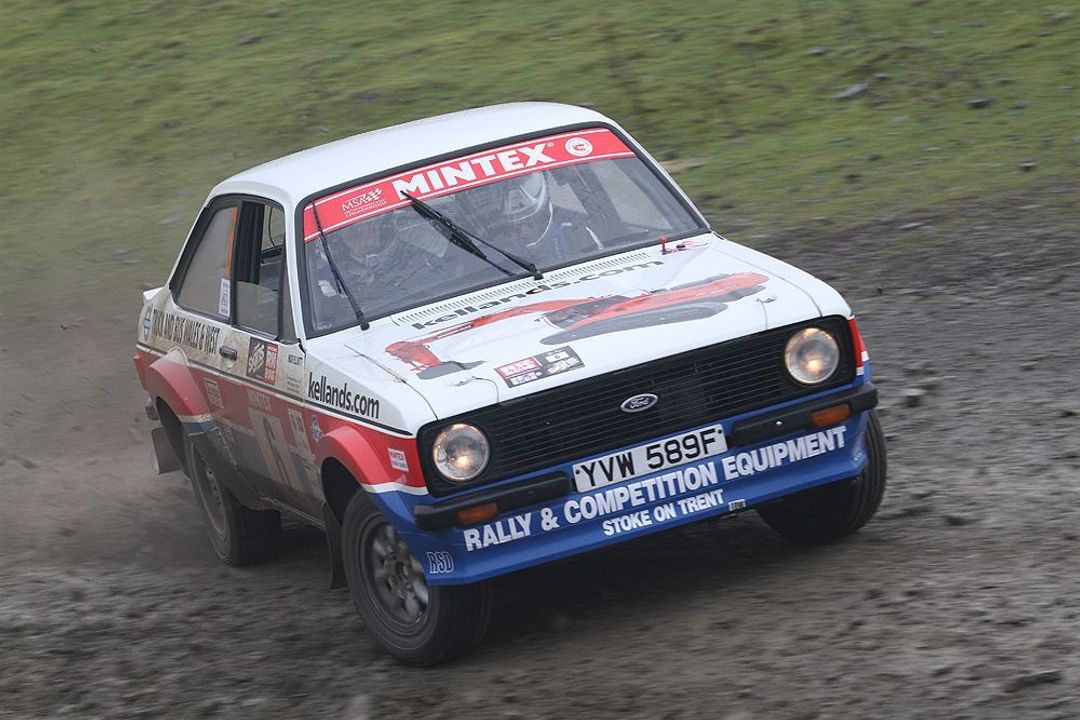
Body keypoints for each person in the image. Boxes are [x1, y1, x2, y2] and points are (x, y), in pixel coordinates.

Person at [461, 172, 602, 267]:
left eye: (530, 223)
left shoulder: (575, 234)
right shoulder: (474, 258)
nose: (523, 232)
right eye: (513, 229)